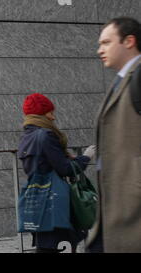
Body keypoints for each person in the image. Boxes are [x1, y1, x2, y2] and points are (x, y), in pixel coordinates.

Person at [88, 17, 141, 253]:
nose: (100, 49)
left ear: (129, 41)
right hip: (116, 204)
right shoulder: (122, 80)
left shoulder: (138, 78)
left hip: (132, 205)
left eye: (107, 42)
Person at [18, 93, 96, 253]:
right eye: (50, 113)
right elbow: (65, 169)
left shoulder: (26, 137)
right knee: (62, 243)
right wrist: (86, 157)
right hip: (55, 200)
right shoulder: (46, 135)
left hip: (38, 199)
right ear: (41, 113)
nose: (53, 118)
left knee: (46, 246)